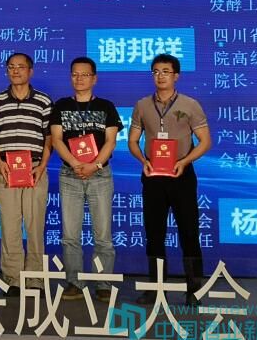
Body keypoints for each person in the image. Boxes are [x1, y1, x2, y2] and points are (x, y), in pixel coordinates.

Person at [128, 53, 212, 307]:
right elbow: (133, 140)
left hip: (181, 175)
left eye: (165, 71)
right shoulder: (142, 105)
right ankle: (156, 289)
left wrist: (184, 162)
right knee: (154, 234)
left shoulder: (190, 104)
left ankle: (194, 290)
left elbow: (205, 142)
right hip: (153, 175)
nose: (160, 76)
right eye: (155, 71)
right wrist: (143, 161)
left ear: (176, 76)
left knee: (189, 233)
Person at [49, 56, 122, 302]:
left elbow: (111, 141)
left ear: (94, 78)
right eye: (75, 74)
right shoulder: (61, 105)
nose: (79, 79)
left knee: (103, 235)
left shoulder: (106, 106)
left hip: (100, 175)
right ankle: (74, 283)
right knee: (70, 235)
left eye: (85, 74)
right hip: (70, 174)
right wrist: (75, 163)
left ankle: (103, 284)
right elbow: (56, 139)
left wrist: (95, 165)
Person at [0, 52, 52, 295]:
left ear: (30, 71)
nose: (16, 71)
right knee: (10, 227)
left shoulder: (44, 101)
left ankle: (35, 280)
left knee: (35, 227)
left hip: (35, 170)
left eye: (21, 67)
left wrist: (42, 165)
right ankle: (13, 279)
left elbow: (49, 138)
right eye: (11, 67)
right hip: (6, 171)